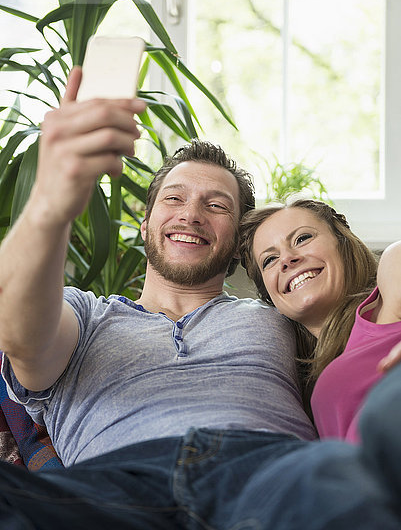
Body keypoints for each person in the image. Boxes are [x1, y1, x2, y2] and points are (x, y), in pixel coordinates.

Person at [0, 68, 400, 529]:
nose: (190, 214)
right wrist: (51, 201)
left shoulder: (278, 314)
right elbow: (19, 332)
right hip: (113, 489)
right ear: (146, 224)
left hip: (269, 475)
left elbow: (363, 311)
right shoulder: (86, 315)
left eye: (216, 206)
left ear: (237, 244)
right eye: (174, 199)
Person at [239, 197, 401, 499]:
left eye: (302, 238)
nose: (287, 259)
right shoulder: (296, 389)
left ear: (343, 241)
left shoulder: (390, 284)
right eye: (270, 260)